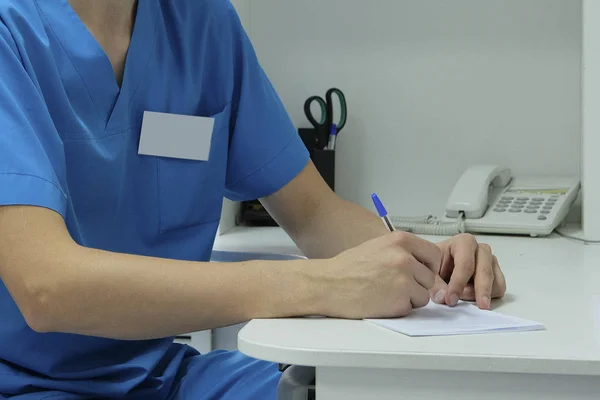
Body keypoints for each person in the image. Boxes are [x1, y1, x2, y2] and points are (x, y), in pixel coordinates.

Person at [0, 0, 507, 398]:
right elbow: (46, 287)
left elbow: (315, 214)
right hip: (23, 385)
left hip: (164, 378)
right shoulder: (11, 32)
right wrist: (320, 285)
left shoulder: (201, 24)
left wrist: (429, 262)